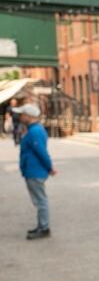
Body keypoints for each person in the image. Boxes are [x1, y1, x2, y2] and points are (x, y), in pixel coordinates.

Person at [16, 103, 56, 240]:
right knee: (39, 200)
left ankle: (44, 228)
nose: (20, 116)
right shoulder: (33, 129)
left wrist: (50, 167)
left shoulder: (35, 131)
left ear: (29, 116)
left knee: (40, 201)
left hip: (35, 170)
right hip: (33, 169)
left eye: (22, 114)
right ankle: (41, 226)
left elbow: (41, 152)